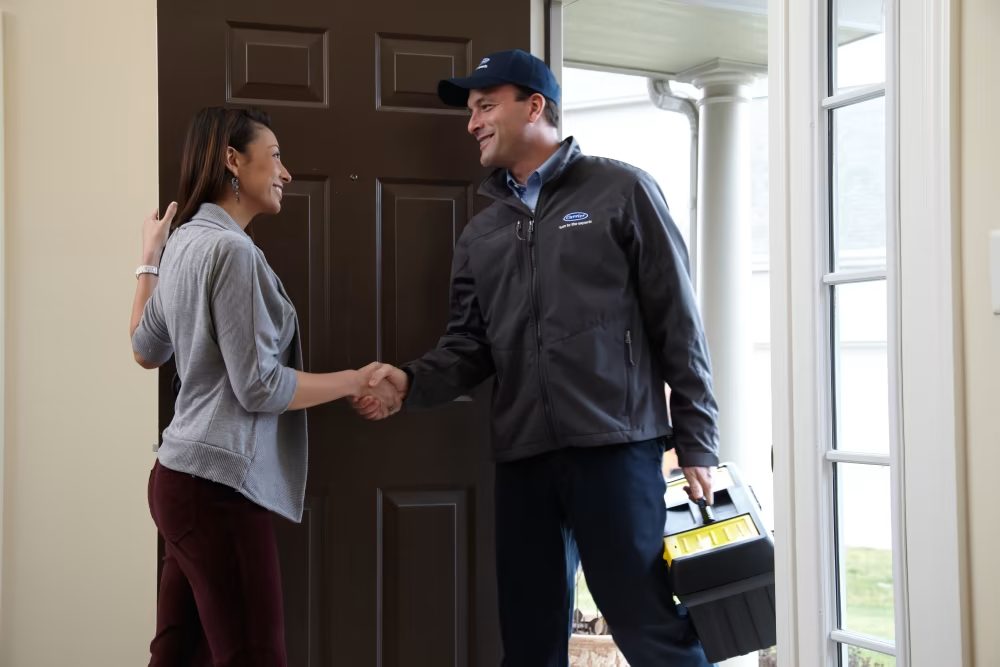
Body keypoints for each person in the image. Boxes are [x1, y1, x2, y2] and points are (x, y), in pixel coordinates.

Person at [354, 49, 721, 667]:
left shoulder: (621, 190)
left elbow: (678, 322)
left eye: (485, 106)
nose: (472, 122)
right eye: (470, 111)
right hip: (524, 458)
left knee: (653, 631)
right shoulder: (482, 234)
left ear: (535, 106)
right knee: (529, 642)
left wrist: (697, 441)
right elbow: (469, 347)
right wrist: (408, 382)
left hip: (616, 449)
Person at [130, 106, 398, 667]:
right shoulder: (229, 250)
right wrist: (353, 380)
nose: (286, 172)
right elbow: (259, 387)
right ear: (233, 159)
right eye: (274, 155)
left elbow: (143, 348)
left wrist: (149, 259)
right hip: (215, 489)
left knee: (178, 653)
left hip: (177, 480)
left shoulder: (184, 243)